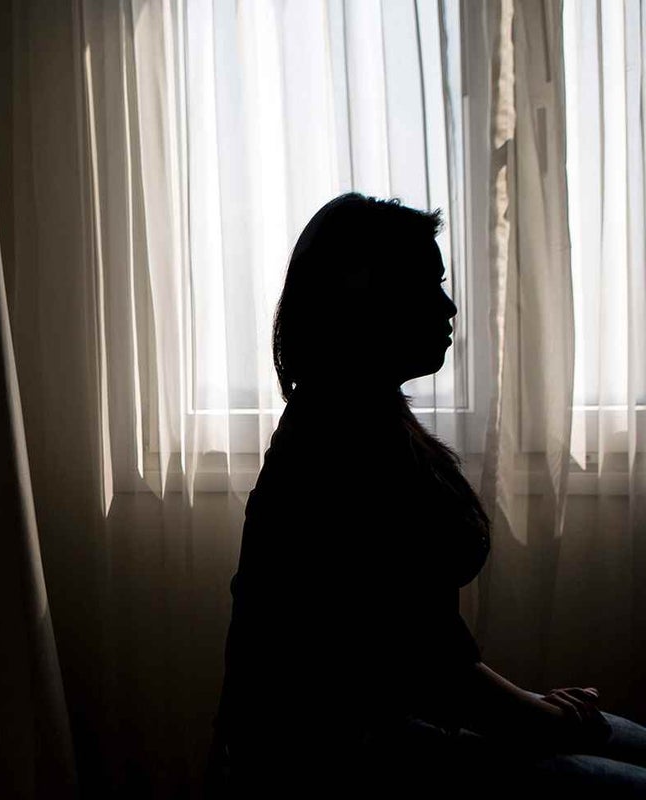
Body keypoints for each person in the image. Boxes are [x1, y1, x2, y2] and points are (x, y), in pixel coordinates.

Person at [205, 193, 646, 797]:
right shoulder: (339, 440)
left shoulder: (368, 414)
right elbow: (421, 666)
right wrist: (537, 716)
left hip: (394, 720)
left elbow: (424, 644)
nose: (449, 305)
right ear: (361, 299)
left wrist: (531, 708)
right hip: (335, 757)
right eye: (425, 285)